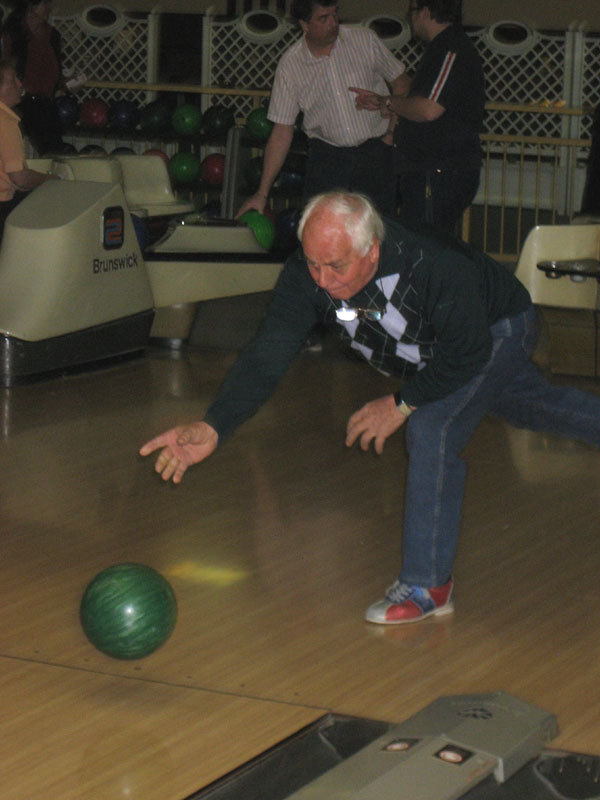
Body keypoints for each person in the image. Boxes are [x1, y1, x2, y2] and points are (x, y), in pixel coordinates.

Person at [140, 191, 600, 625]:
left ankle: (426, 587)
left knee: (432, 426)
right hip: (439, 352)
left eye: (335, 266)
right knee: (532, 406)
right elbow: (269, 352)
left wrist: (401, 403)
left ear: (372, 251)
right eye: (313, 264)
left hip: (496, 330)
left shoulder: (432, 264)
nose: (322, 280)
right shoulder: (308, 275)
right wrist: (215, 425)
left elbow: (467, 353)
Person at [235, 0, 409, 219]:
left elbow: (402, 83)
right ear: (304, 24)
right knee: (322, 229)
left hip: (375, 152)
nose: (333, 23)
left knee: (377, 230)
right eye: (323, 18)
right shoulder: (291, 64)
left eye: (335, 14)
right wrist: (262, 193)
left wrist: (390, 131)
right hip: (327, 158)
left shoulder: (364, 40)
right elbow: (281, 131)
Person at [350, 0, 485, 234]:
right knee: (428, 240)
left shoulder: (450, 49)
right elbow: (426, 102)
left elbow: (429, 109)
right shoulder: (444, 48)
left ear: (425, 12)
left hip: (438, 170)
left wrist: (390, 102)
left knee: (427, 242)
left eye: (412, 11)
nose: (410, 18)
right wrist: (387, 103)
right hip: (435, 170)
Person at [0, 57, 57, 238]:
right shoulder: (5, 122)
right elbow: (20, 179)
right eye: (13, 81)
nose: (20, 84)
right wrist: (48, 179)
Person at [1, 0, 65, 154]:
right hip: (18, 101)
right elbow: (5, 67)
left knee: (54, 152)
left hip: (44, 103)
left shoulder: (53, 36)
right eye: (45, 3)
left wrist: (66, 84)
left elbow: (54, 73)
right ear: (31, 5)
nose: (50, 8)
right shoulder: (13, 32)